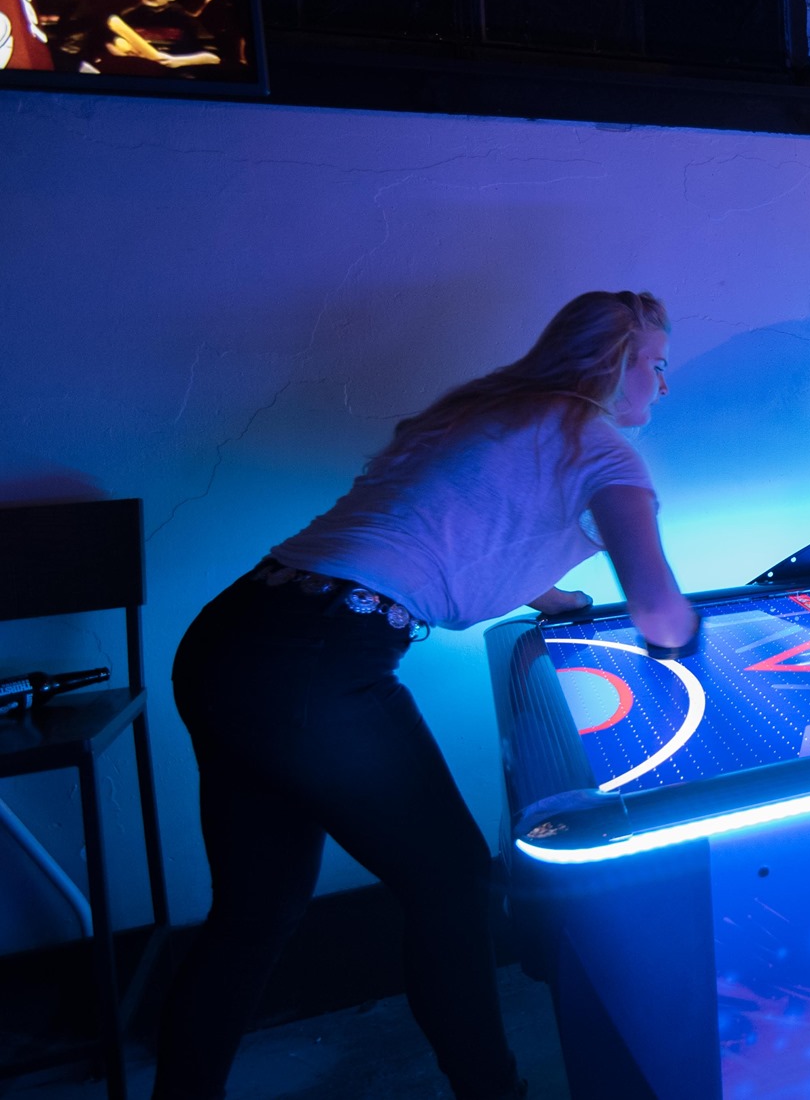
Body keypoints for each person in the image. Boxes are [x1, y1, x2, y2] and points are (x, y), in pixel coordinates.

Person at [154, 292, 698, 1100]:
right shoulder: (602, 449)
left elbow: (462, 527)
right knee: (452, 884)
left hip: (231, 640)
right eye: (656, 362)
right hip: (319, 663)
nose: (664, 382)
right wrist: (691, 635)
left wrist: (557, 603)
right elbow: (659, 614)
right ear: (615, 363)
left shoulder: (486, 416)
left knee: (253, 916)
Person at [97, 0, 219, 76]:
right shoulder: (128, 16)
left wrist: (177, 61)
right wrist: (122, 55)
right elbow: (107, 43)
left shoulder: (185, 19)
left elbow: (214, 58)